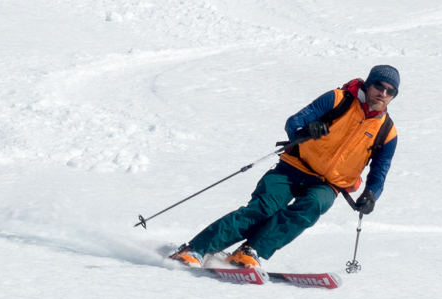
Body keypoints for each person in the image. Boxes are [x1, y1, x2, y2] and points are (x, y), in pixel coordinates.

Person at [170, 65, 401, 269]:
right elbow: (296, 121)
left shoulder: (387, 132)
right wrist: (305, 130)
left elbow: (379, 171)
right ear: (369, 85)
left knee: (309, 207)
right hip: (293, 168)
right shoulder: (337, 99)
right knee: (263, 208)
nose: (383, 93)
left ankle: (250, 252)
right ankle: (195, 249)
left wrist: (371, 195)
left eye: (390, 91)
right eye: (379, 86)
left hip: (328, 184)